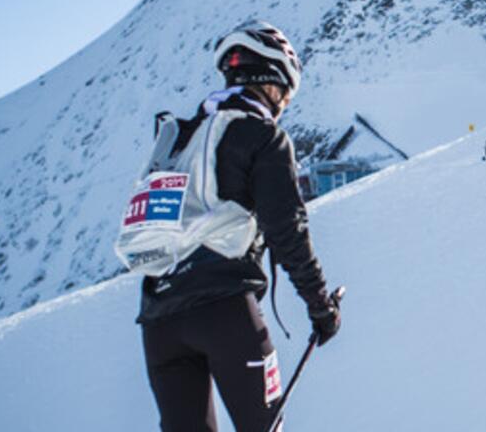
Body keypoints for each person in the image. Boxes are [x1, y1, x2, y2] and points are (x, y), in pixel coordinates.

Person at [132, 21, 340, 432]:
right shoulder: (262, 135)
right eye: (285, 94)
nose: (283, 105)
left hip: (159, 322)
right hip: (225, 313)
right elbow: (286, 229)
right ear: (273, 80)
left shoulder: (181, 138)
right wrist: (320, 305)